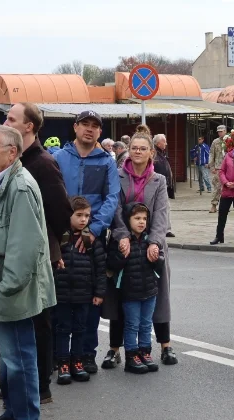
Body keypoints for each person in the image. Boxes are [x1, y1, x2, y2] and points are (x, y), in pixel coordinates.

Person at [0, 126, 54, 420]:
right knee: (8, 359)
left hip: (11, 292)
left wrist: (7, 287)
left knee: (20, 359)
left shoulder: (19, 187)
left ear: (12, 153)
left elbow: (24, 246)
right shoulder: (0, 182)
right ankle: (13, 411)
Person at [5, 102, 72, 404]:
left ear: (29, 126)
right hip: (17, 252)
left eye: (11, 118)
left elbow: (61, 211)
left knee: (39, 321)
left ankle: (41, 385)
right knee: (19, 320)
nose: (5, 122)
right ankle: (20, 382)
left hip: (38, 253)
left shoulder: (42, 163)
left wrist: (53, 245)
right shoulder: (15, 160)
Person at [53, 110, 120, 374]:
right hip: (63, 238)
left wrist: (92, 229)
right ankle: (60, 356)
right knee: (60, 298)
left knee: (91, 298)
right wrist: (63, 228)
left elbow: (112, 197)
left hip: (93, 239)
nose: (89, 130)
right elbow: (52, 195)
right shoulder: (58, 158)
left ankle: (86, 353)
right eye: (85, 125)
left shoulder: (106, 162)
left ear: (100, 132)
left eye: (95, 126)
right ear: (75, 127)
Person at [107, 132, 177, 368]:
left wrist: (154, 242)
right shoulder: (116, 176)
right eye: (134, 147)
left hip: (152, 243)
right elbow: (114, 209)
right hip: (123, 243)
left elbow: (161, 213)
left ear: (151, 153)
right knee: (120, 296)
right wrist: (123, 236)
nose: (137, 151)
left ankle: (165, 346)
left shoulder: (158, 180)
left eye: (142, 148)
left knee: (157, 294)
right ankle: (115, 349)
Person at [53, 196, 106, 385]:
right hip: (62, 295)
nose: (84, 219)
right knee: (62, 329)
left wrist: (99, 293)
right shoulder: (60, 238)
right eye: (79, 215)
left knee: (80, 330)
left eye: (87, 216)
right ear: (69, 215)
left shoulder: (91, 240)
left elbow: (100, 268)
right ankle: (63, 364)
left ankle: (77, 362)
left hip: (84, 296)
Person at [108, 203, 165, 374]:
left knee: (146, 324)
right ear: (128, 220)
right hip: (130, 292)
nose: (141, 222)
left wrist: (157, 258)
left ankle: (145, 353)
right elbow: (111, 263)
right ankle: (131, 356)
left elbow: (159, 265)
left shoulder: (150, 240)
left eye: (144, 219)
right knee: (132, 324)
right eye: (137, 218)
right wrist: (120, 254)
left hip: (149, 291)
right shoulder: (121, 241)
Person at [208, 125, 227, 213]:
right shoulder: (215, 142)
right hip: (218, 167)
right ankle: (214, 205)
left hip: (229, 167)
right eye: (218, 131)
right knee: (217, 187)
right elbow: (212, 154)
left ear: (225, 131)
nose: (220, 133)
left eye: (221, 131)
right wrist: (211, 166)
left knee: (228, 187)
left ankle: (226, 205)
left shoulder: (230, 140)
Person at [153, 134, 176, 201]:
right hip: (158, 188)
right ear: (159, 143)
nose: (166, 144)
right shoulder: (154, 155)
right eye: (164, 142)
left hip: (163, 186)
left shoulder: (161, 154)